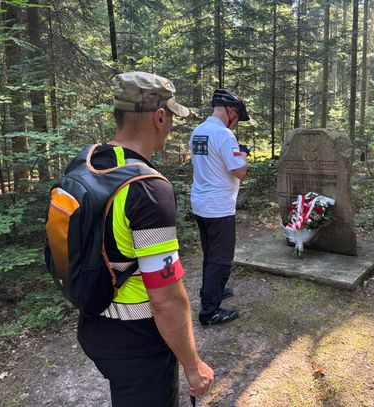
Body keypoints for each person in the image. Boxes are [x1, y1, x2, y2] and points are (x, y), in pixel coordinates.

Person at [77, 72, 214, 407]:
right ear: (160, 117)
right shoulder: (147, 189)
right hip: (138, 343)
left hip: (93, 325)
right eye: (171, 118)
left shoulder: (87, 162)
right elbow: (165, 299)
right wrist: (193, 365)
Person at [189, 89, 250, 326]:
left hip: (201, 202)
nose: (236, 123)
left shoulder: (198, 131)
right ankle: (210, 312)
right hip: (219, 206)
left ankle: (212, 290)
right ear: (231, 111)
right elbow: (239, 171)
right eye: (238, 117)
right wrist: (243, 153)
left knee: (210, 252)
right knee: (221, 258)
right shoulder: (224, 134)